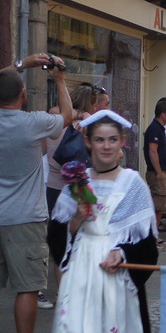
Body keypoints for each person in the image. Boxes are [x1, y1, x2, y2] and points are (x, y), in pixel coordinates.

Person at [41, 110, 159, 333]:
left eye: (112, 139)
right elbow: (57, 236)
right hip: (81, 274)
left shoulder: (133, 184)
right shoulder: (77, 183)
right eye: (99, 140)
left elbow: (148, 243)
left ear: (122, 144)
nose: (105, 146)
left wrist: (121, 252)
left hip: (115, 280)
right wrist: (76, 218)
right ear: (88, 144)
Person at [0, 53, 73, 333]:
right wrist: (57, 79)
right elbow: (68, 117)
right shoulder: (33, 123)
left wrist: (22, 63)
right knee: (27, 287)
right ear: (23, 95)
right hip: (25, 217)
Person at [44, 83, 109, 308]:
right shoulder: (87, 124)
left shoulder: (54, 118)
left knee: (59, 242)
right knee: (82, 240)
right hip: (77, 189)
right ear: (90, 103)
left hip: (52, 186)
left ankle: (63, 294)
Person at [144, 97, 166, 247]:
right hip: (159, 172)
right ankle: (152, 236)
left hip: (164, 171)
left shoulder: (160, 128)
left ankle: (154, 234)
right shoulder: (154, 129)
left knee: (162, 205)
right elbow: (152, 151)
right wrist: (158, 171)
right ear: (163, 114)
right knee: (157, 204)